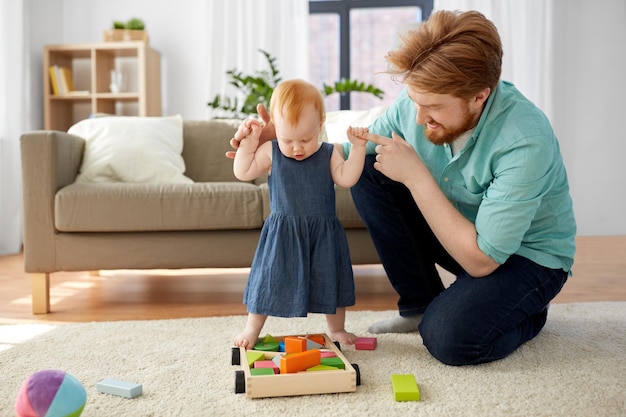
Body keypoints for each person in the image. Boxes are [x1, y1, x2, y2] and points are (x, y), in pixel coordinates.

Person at [230, 10, 576, 366]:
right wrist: (287, 143)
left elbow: (482, 260)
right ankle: (419, 302)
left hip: (525, 257)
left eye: (434, 107)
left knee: (449, 339)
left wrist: (416, 175)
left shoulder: (524, 140)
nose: (418, 118)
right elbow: (346, 159)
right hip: (463, 234)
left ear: (478, 97)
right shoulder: (416, 106)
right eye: (415, 101)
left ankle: (529, 311)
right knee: (368, 167)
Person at [232, 79, 368, 349]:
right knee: (268, 280)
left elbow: (347, 178)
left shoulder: (330, 153)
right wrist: (249, 144)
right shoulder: (271, 150)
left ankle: (337, 329)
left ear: (320, 124)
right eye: (287, 139)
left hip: (323, 233)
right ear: (275, 130)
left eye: (305, 139)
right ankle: (252, 327)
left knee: (331, 280)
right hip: (283, 233)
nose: (296, 148)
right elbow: (243, 172)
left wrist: (359, 148)